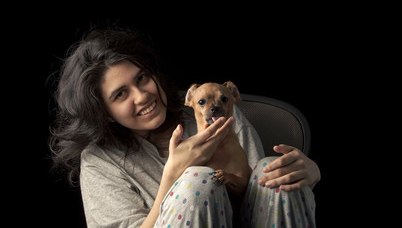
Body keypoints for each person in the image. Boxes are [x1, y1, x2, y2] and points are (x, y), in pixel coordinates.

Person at [49, 26, 321, 228]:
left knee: (269, 171)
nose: (142, 96)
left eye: (142, 78)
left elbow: (259, 196)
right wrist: (173, 177)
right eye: (121, 94)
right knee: (197, 182)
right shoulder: (100, 161)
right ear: (104, 113)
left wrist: (309, 172)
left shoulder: (212, 109)